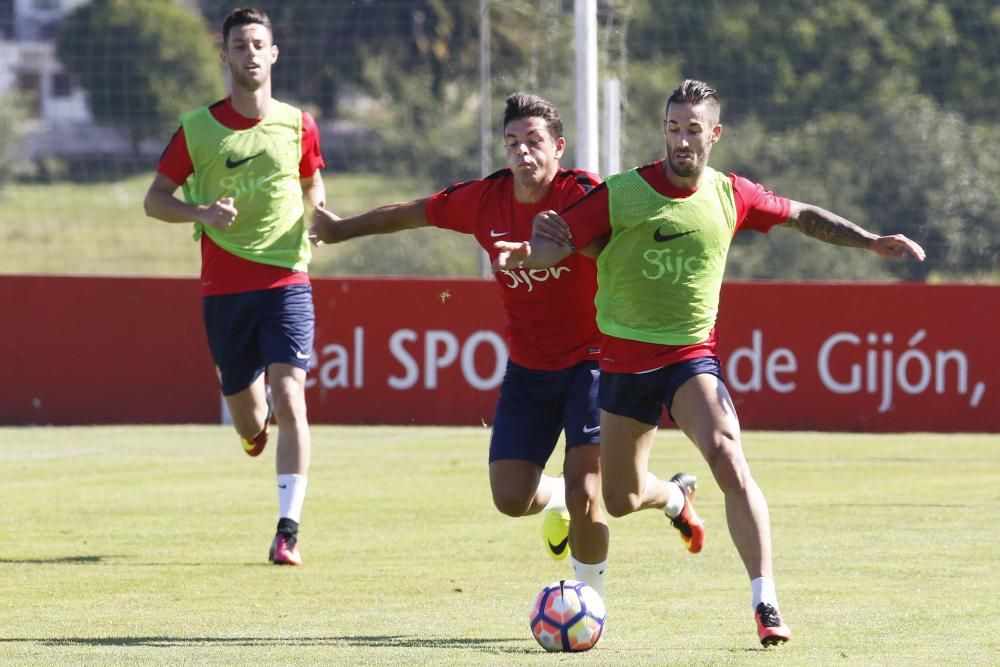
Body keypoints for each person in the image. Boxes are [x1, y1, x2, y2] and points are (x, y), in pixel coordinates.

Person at [495, 79, 926, 645]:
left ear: (714, 134)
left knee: (728, 454)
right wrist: (532, 251)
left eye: (692, 130)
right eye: (672, 128)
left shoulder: (730, 194)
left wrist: (869, 240)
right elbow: (563, 239)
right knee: (620, 501)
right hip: (623, 365)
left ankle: (765, 602)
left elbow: (800, 214)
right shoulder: (622, 193)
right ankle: (674, 495)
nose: (680, 140)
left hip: (689, 358)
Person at [310, 93, 700, 595]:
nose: (522, 153)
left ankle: (589, 606)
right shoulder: (484, 199)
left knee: (589, 492)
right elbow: (412, 213)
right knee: (511, 497)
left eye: (534, 141)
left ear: (558, 147)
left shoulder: (584, 193)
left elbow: (634, 236)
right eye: (512, 143)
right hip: (530, 369)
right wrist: (341, 230)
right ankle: (670, 496)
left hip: (595, 360)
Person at [143, 7, 327, 566]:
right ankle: (253, 431)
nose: (250, 53)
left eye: (258, 44)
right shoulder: (197, 128)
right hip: (224, 289)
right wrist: (200, 211)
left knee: (291, 394)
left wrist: (317, 216)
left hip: (287, 278)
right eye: (239, 45)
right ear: (224, 56)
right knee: (250, 420)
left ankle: (287, 531)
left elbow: (312, 179)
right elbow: (155, 199)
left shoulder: (300, 123)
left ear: (273, 54)